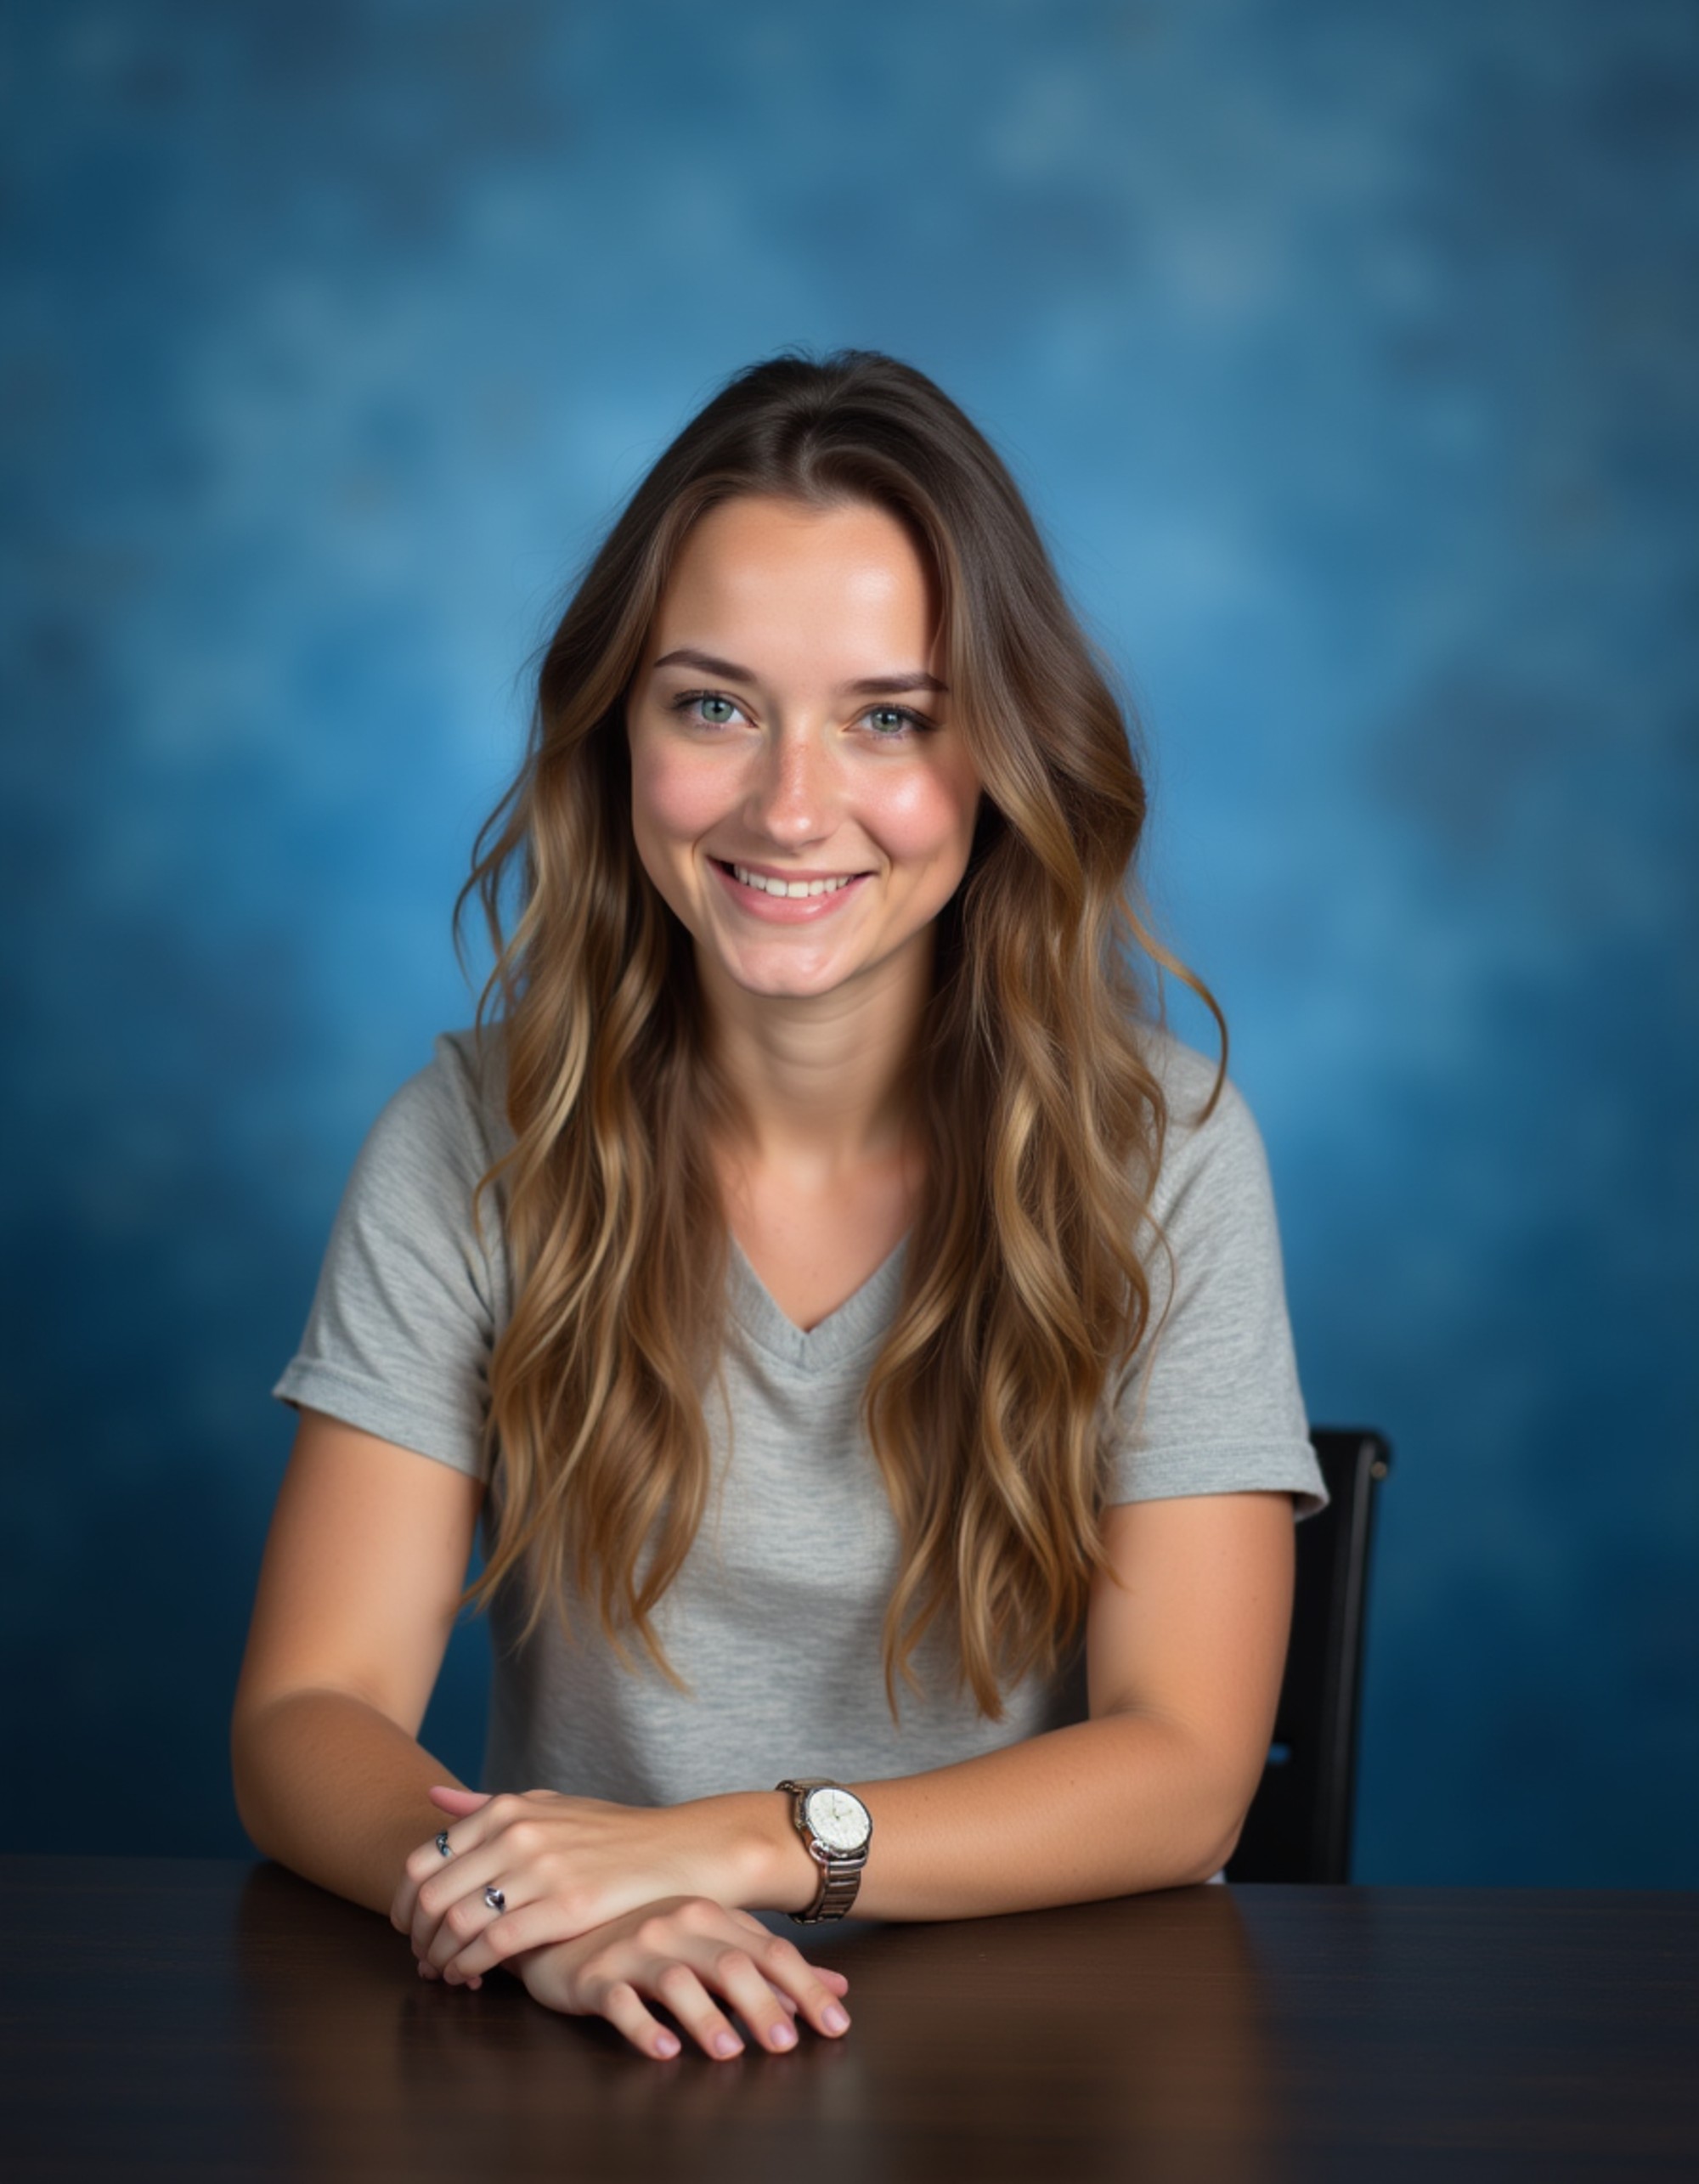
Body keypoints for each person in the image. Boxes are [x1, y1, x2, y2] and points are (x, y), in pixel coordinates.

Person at [232, 349, 1327, 2066]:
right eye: (713, 704)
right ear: (618, 735)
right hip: (611, 2031)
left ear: (1000, 758)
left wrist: (738, 1839)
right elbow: (310, 1708)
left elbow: (1185, 1771)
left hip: (1034, 2062)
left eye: (889, 715)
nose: (790, 805)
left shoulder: (1163, 1150)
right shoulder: (469, 1139)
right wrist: (529, 1907)